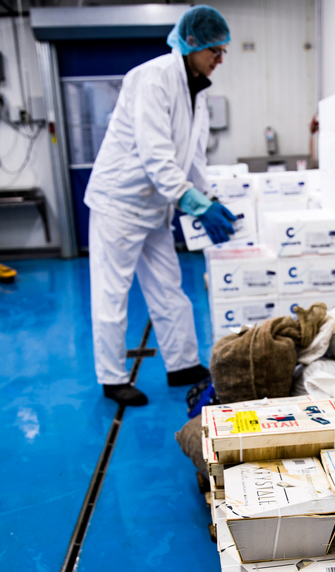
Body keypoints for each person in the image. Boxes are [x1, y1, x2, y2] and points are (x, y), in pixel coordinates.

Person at [84, 5, 236, 407]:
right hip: (119, 202)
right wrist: (195, 203)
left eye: (223, 52)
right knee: (112, 294)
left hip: (154, 207)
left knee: (169, 287)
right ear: (191, 44)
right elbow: (156, 155)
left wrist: (211, 199)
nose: (220, 59)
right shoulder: (152, 80)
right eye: (214, 51)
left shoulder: (197, 87)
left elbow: (193, 158)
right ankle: (113, 378)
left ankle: (183, 363)